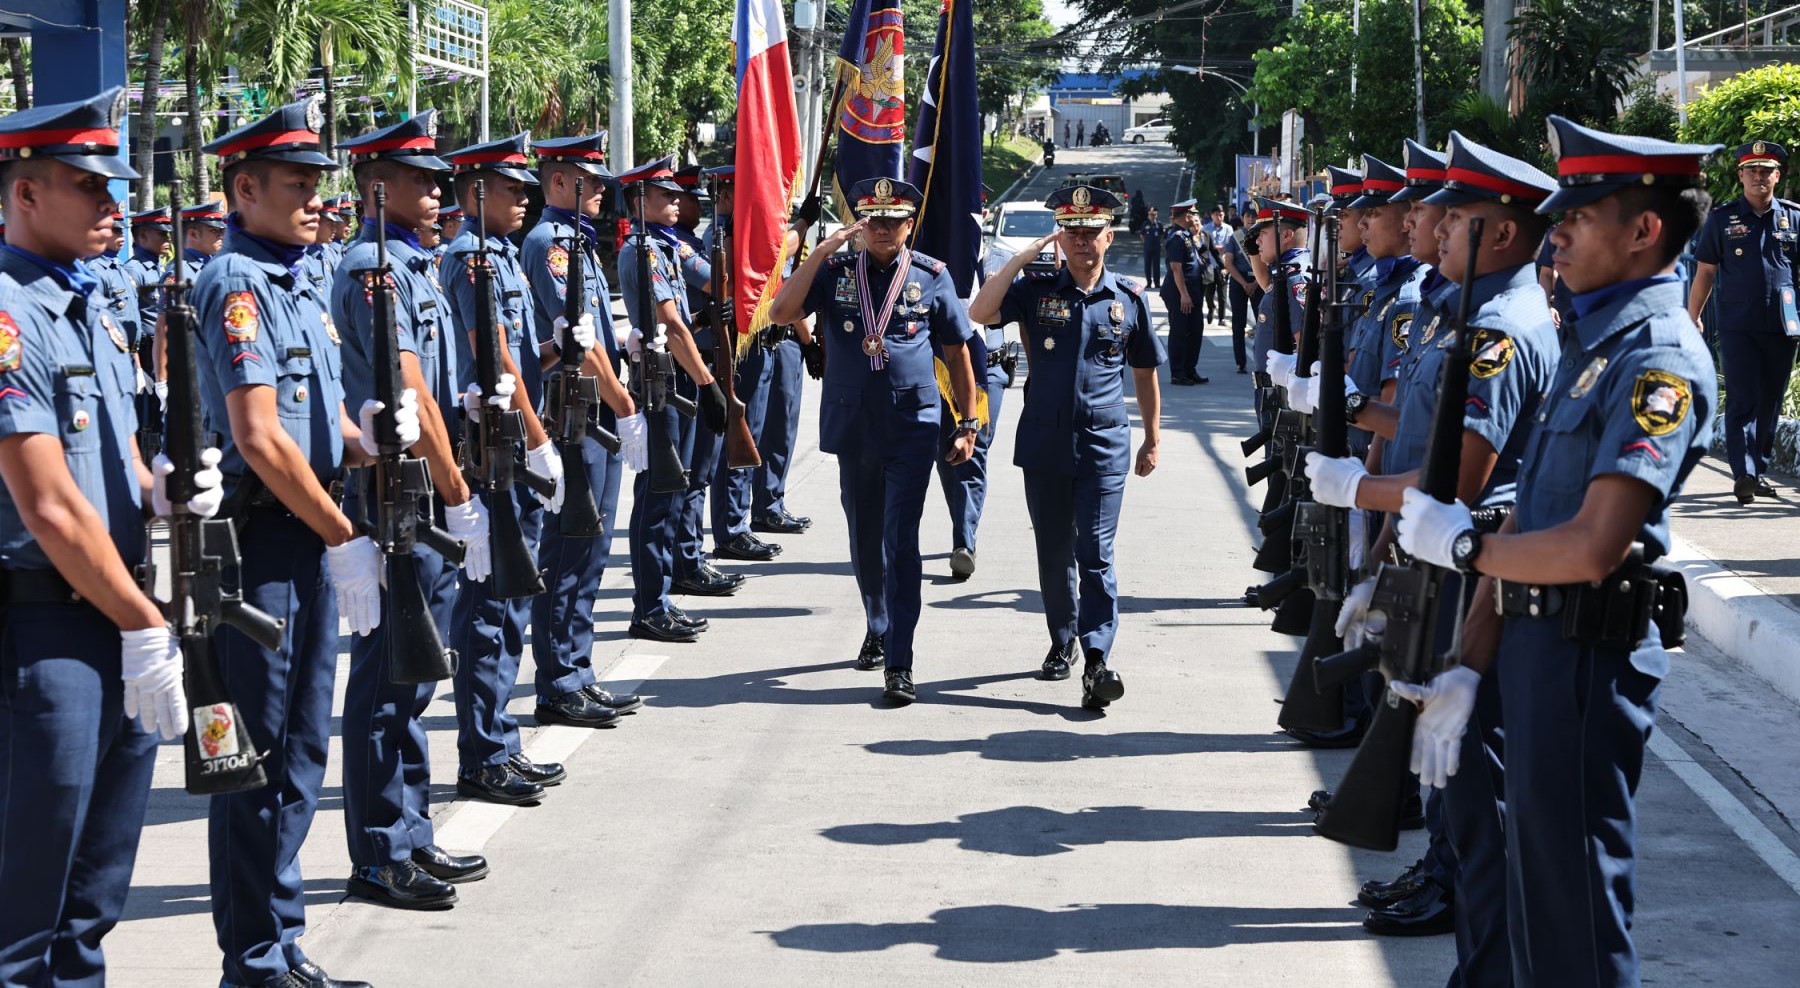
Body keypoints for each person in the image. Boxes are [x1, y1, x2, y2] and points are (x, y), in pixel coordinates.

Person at [1394, 117, 1719, 988]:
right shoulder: (1590, 345)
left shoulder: (1657, 361)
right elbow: (1530, 525)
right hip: (1534, 651)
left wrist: (1460, 547)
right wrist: (1470, 666)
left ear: (1645, 231)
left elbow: (1587, 547)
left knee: (1574, 921)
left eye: (1579, 213)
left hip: (1586, 665)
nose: (1558, 230)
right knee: (1535, 909)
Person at [1310, 133, 1561, 966]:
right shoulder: (1462, 317)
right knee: (1435, 742)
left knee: (1467, 763)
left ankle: (1475, 932)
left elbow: (1458, 473)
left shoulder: (1501, 330)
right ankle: (1449, 881)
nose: (1435, 228)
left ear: (1502, 235)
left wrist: (1359, 493)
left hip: (1468, 561)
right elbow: (1420, 430)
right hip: (1436, 553)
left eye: (1455, 217)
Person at [0, 86, 191, 988]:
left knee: (94, 890)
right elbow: (48, 505)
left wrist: (165, 491)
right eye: (90, 186)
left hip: (114, 611)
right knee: (24, 901)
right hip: (43, 630)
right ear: (26, 193)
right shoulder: (6, 313)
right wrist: (143, 624)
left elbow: (117, 459)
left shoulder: (88, 310)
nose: (114, 206)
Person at [192, 94, 384, 988]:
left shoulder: (296, 278)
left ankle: (280, 942)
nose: (316, 200)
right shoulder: (235, 283)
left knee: (302, 748)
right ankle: (256, 960)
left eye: (319, 184)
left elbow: (315, 415)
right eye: (297, 185)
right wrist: (344, 530)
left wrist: (365, 437)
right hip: (260, 548)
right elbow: (260, 438)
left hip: (304, 537)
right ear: (244, 189)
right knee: (258, 760)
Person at [330, 111, 502, 908]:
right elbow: (411, 392)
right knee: (389, 677)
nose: (436, 193)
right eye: (418, 180)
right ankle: (378, 851)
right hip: (399, 492)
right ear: (376, 187)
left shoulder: (412, 264)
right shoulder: (376, 269)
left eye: (437, 181)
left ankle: (410, 833)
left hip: (425, 486)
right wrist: (459, 492)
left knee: (417, 678)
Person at [767, 177, 980, 704]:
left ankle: (900, 662)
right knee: (865, 540)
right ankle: (878, 621)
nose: (883, 230)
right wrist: (821, 250)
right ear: (860, 224)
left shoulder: (931, 276)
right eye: (873, 221)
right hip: (854, 427)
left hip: (912, 426)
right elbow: (780, 312)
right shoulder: (836, 270)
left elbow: (957, 352)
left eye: (894, 221)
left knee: (900, 542)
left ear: (910, 225)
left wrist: (968, 421)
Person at [968, 184, 1164, 709]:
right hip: (1046, 444)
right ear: (1061, 237)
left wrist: (1152, 437)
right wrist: (1025, 256)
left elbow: (1144, 372)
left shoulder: (1128, 299)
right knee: (1054, 554)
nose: (1080, 242)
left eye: (1090, 232)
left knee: (1095, 553)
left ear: (1108, 235)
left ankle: (1098, 658)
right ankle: (1063, 641)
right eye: (1070, 232)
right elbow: (980, 313)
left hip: (1104, 445)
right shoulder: (1036, 289)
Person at [523, 131, 648, 721]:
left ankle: (578, 668)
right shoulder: (551, 242)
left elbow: (600, 328)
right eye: (590, 179)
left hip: (597, 411)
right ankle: (557, 682)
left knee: (593, 549)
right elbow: (576, 336)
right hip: (578, 413)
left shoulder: (577, 241)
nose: (600, 189)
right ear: (558, 181)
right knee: (570, 547)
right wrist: (623, 402)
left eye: (600, 180)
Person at [617, 157, 731, 644]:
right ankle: (648, 606)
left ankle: (659, 598)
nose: (676, 201)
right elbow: (671, 322)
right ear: (641, 201)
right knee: (659, 495)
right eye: (665, 195)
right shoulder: (642, 249)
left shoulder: (665, 247)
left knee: (675, 489)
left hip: (677, 376)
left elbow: (709, 287)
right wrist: (707, 383)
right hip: (662, 382)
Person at [1686, 139, 1800, 504]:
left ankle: (1758, 470)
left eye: (1766, 171)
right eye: (1752, 170)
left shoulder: (1794, 218)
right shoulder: (1722, 219)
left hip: (1783, 325)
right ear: (1741, 176)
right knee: (1741, 399)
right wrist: (1694, 317)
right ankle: (1743, 473)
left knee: (1770, 400)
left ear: (1777, 176)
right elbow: (1704, 272)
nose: (1759, 177)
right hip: (1738, 324)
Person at [1339, 154, 1427, 465]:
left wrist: (1363, 489)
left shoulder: (1409, 297)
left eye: (1373, 212)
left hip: (1373, 461)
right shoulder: (1384, 288)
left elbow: (1389, 413)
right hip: (1357, 450)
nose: (1362, 222)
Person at [1162, 199, 1209, 385]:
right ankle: (1178, 372)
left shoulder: (1187, 235)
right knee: (1180, 332)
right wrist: (1184, 294)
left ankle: (1190, 369)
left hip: (1194, 293)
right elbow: (1176, 268)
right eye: (1193, 214)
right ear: (1187, 216)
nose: (1195, 217)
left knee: (1195, 332)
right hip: (1180, 294)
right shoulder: (1176, 237)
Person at [1140, 206, 1165, 287]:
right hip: (1147, 248)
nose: (1153, 216)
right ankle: (1149, 283)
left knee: (1156, 266)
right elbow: (1142, 234)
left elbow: (1161, 235)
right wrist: (1146, 242)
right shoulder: (1145, 223)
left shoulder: (1159, 224)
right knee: (1147, 266)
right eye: (1151, 214)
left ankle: (1157, 283)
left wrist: (1158, 242)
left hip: (1156, 248)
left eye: (1154, 214)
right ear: (1148, 215)